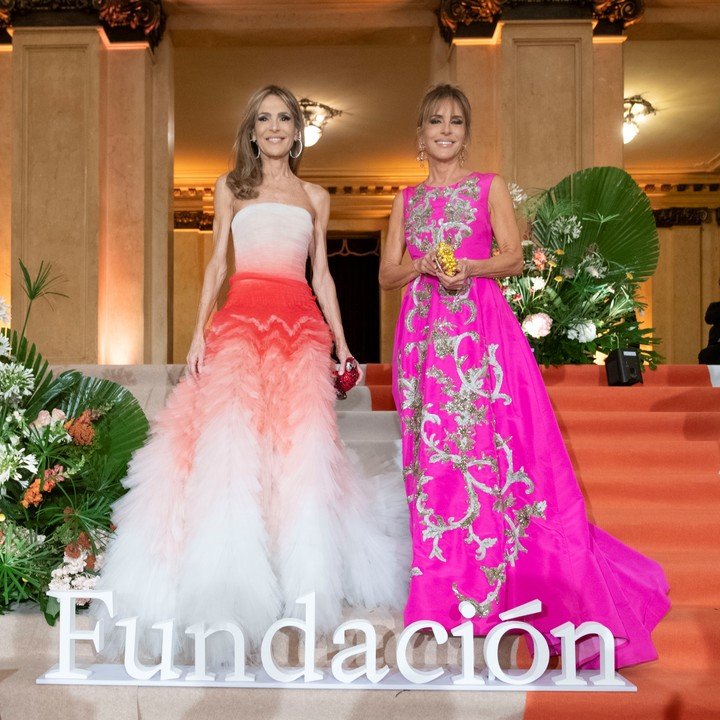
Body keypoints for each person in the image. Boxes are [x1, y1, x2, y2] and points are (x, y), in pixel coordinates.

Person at [92, 85, 408, 665]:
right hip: (238, 324)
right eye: (264, 118)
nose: (274, 127)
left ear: (297, 128)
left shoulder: (315, 194)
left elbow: (324, 276)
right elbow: (216, 263)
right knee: (231, 448)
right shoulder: (230, 188)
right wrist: (195, 335)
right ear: (252, 129)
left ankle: (299, 575)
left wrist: (341, 343)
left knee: (298, 451)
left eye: (284, 117)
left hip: (300, 330)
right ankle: (227, 581)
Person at [379, 83, 670, 669]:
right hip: (425, 337)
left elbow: (512, 257)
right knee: (431, 460)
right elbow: (387, 274)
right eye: (435, 120)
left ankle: (499, 589)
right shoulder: (405, 200)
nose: (445, 130)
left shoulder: (488, 188)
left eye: (456, 122)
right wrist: (425, 265)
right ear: (420, 132)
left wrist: (467, 267)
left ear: (466, 132)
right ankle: (440, 589)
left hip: (481, 334)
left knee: (491, 453)